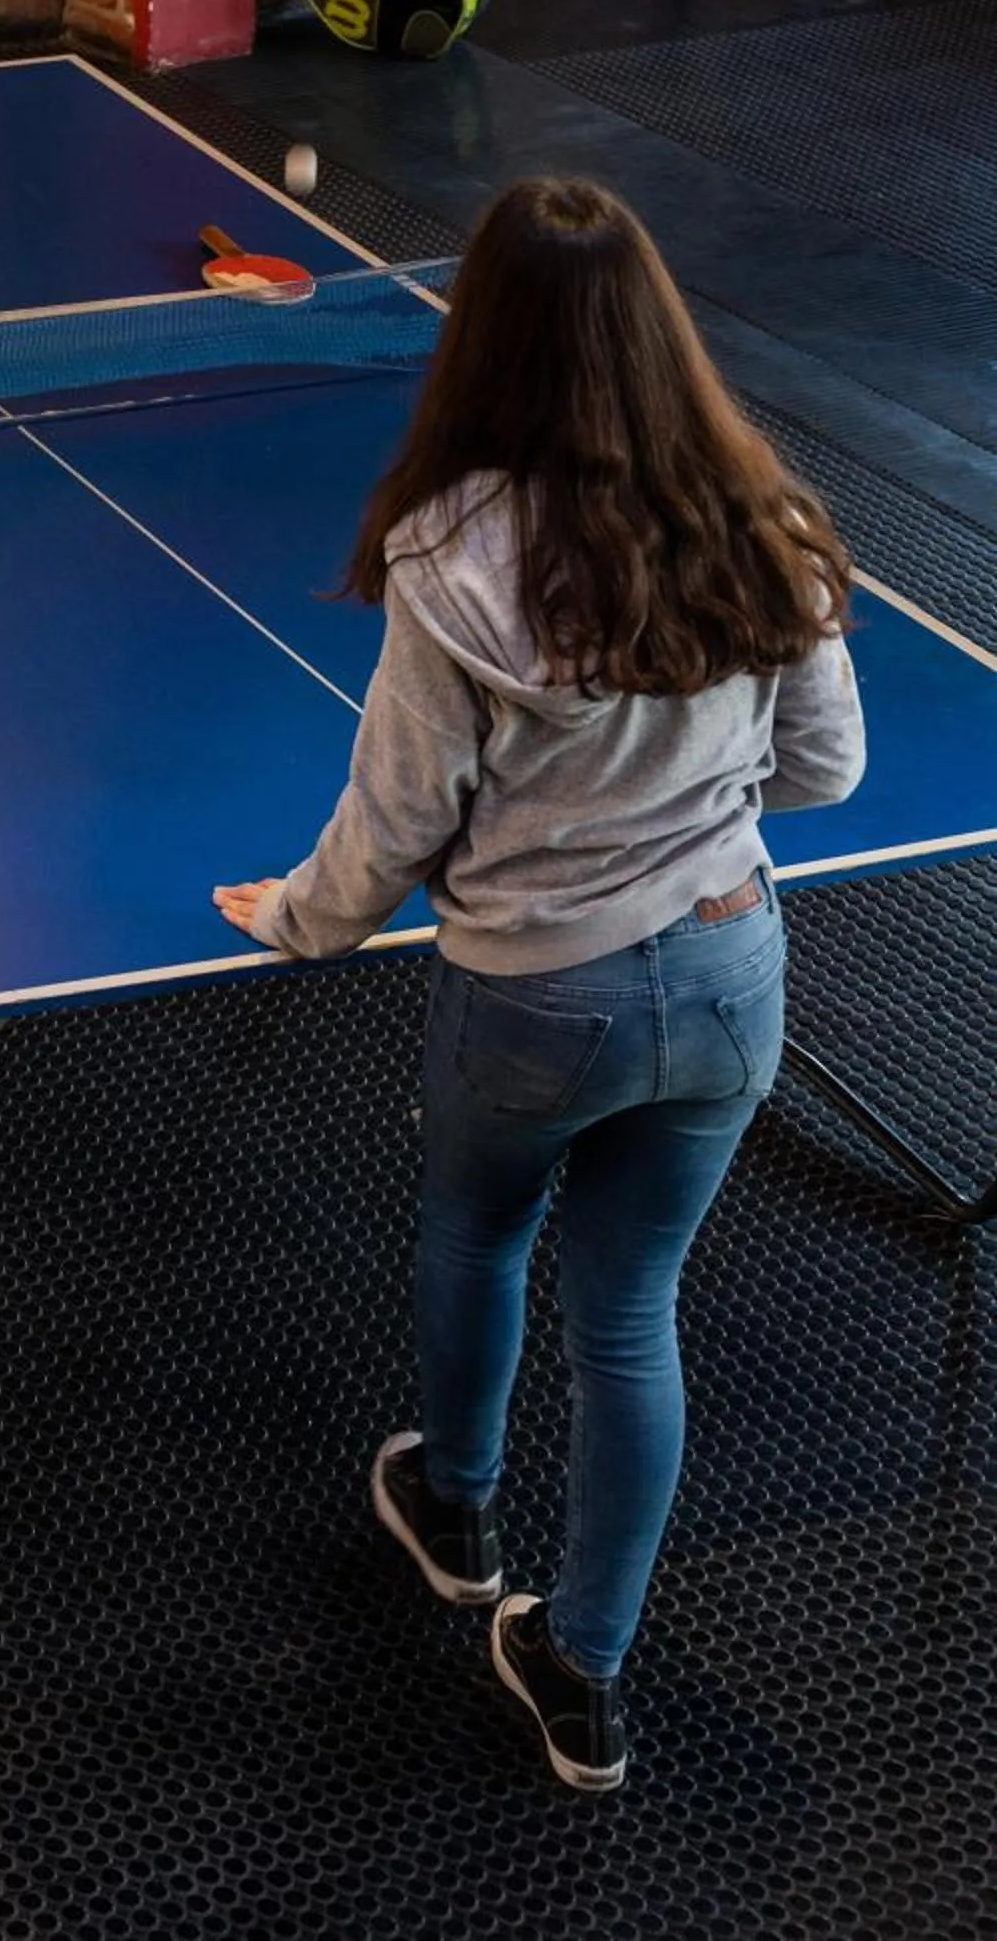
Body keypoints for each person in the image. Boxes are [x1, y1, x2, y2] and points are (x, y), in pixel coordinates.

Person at [212, 177, 865, 1796]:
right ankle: (582, 1674)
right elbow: (827, 770)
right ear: (654, 328)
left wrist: (299, 919)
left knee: (479, 1232)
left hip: (535, 1001)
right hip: (729, 972)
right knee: (631, 1317)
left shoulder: (451, 556)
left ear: (481, 334)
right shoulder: (766, 521)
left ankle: (455, 1511)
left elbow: (398, 817)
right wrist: (672, 820)